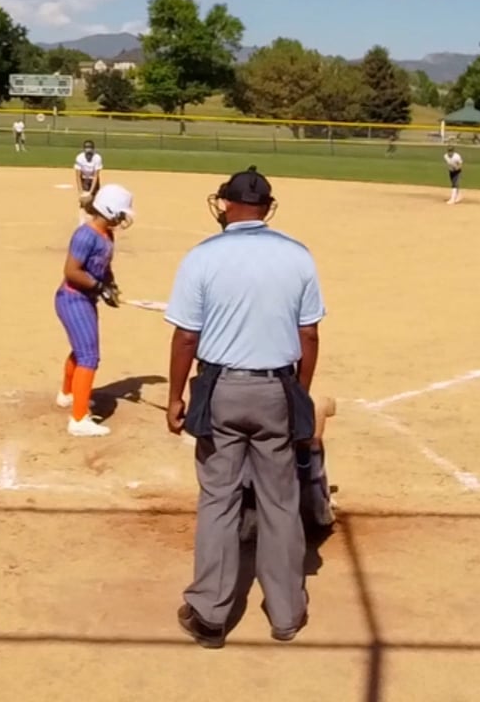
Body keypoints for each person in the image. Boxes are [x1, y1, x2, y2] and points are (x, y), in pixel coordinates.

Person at [163, 166, 325, 648]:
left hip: (220, 390)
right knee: (280, 501)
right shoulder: (298, 255)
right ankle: (286, 612)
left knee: (219, 498)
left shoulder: (202, 256)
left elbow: (186, 336)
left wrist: (175, 396)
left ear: (226, 204)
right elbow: (309, 334)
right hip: (276, 388)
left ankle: (210, 614)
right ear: (267, 207)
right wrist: (299, 394)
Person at [54, 184, 134, 437]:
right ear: (109, 210)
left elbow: (104, 267)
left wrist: (111, 286)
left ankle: (67, 393)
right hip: (72, 299)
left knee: (82, 349)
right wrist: (99, 287)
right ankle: (79, 419)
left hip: (85, 299)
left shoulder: (106, 235)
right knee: (89, 356)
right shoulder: (85, 235)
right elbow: (72, 271)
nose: (123, 218)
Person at [72, 140, 103, 209]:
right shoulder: (79, 158)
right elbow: (78, 176)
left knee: (95, 201)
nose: (89, 155)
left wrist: (90, 192)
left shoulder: (97, 158)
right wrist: (81, 192)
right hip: (84, 179)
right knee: (84, 203)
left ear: (93, 149)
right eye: (86, 149)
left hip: (93, 179)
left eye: (90, 153)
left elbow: (95, 176)